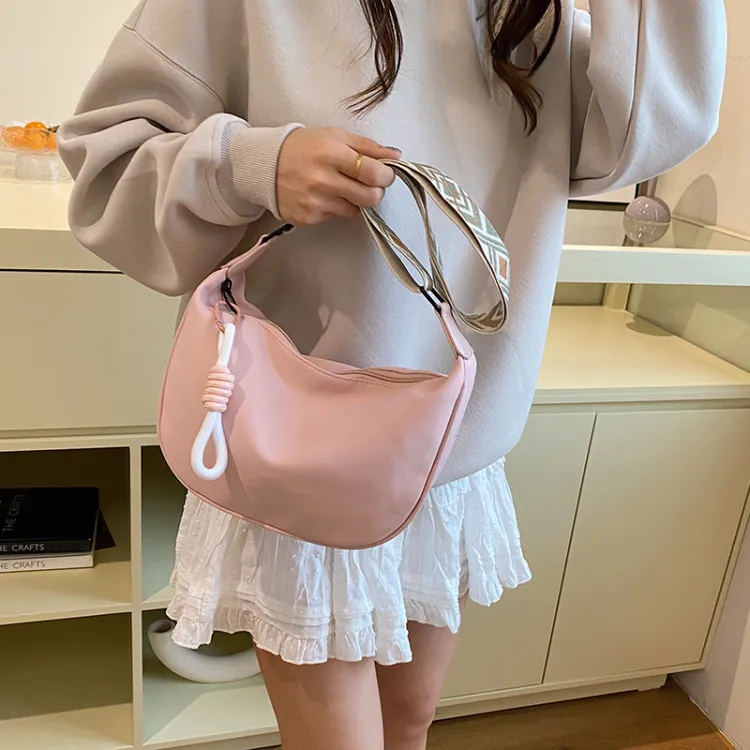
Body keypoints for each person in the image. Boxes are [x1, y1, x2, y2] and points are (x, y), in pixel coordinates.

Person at [58, 1, 727, 747]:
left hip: (446, 454)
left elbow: (654, 125)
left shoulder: (526, 20)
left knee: (409, 721)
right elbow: (103, 163)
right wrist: (253, 164)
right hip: (301, 448)